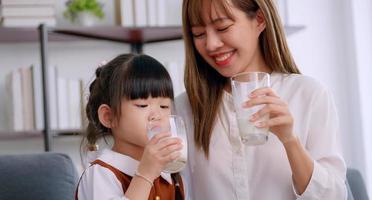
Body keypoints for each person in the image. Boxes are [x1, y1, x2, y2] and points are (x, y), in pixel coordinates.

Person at [175, 0, 347, 199]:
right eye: (198, 34)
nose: (211, 44)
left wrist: (290, 141)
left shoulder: (309, 95)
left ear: (259, 20)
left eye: (222, 27)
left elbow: (334, 195)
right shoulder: (183, 109)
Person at [76, 54, 185, 200]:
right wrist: (145, 175)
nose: (157, 115)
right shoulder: (101, 174)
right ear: (109, 117)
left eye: (164, 106)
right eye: (142, 105)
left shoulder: (168, 172)